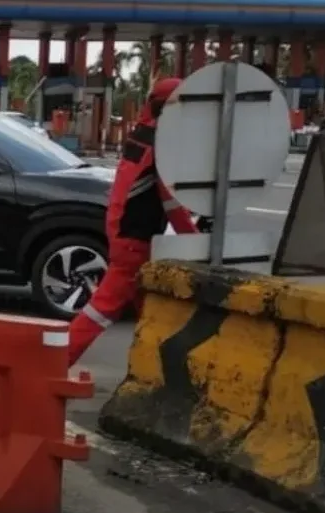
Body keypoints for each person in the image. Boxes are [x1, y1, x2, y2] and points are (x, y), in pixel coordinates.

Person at [67, 78, 199, 366]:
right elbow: (171, 202)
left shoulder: (142, 134)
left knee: (150, 311)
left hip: (125, 232)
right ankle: (54, 362)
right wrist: (196, 239)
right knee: (102, 310)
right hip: (134, 240)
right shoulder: (161, 145)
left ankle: (153, 371)